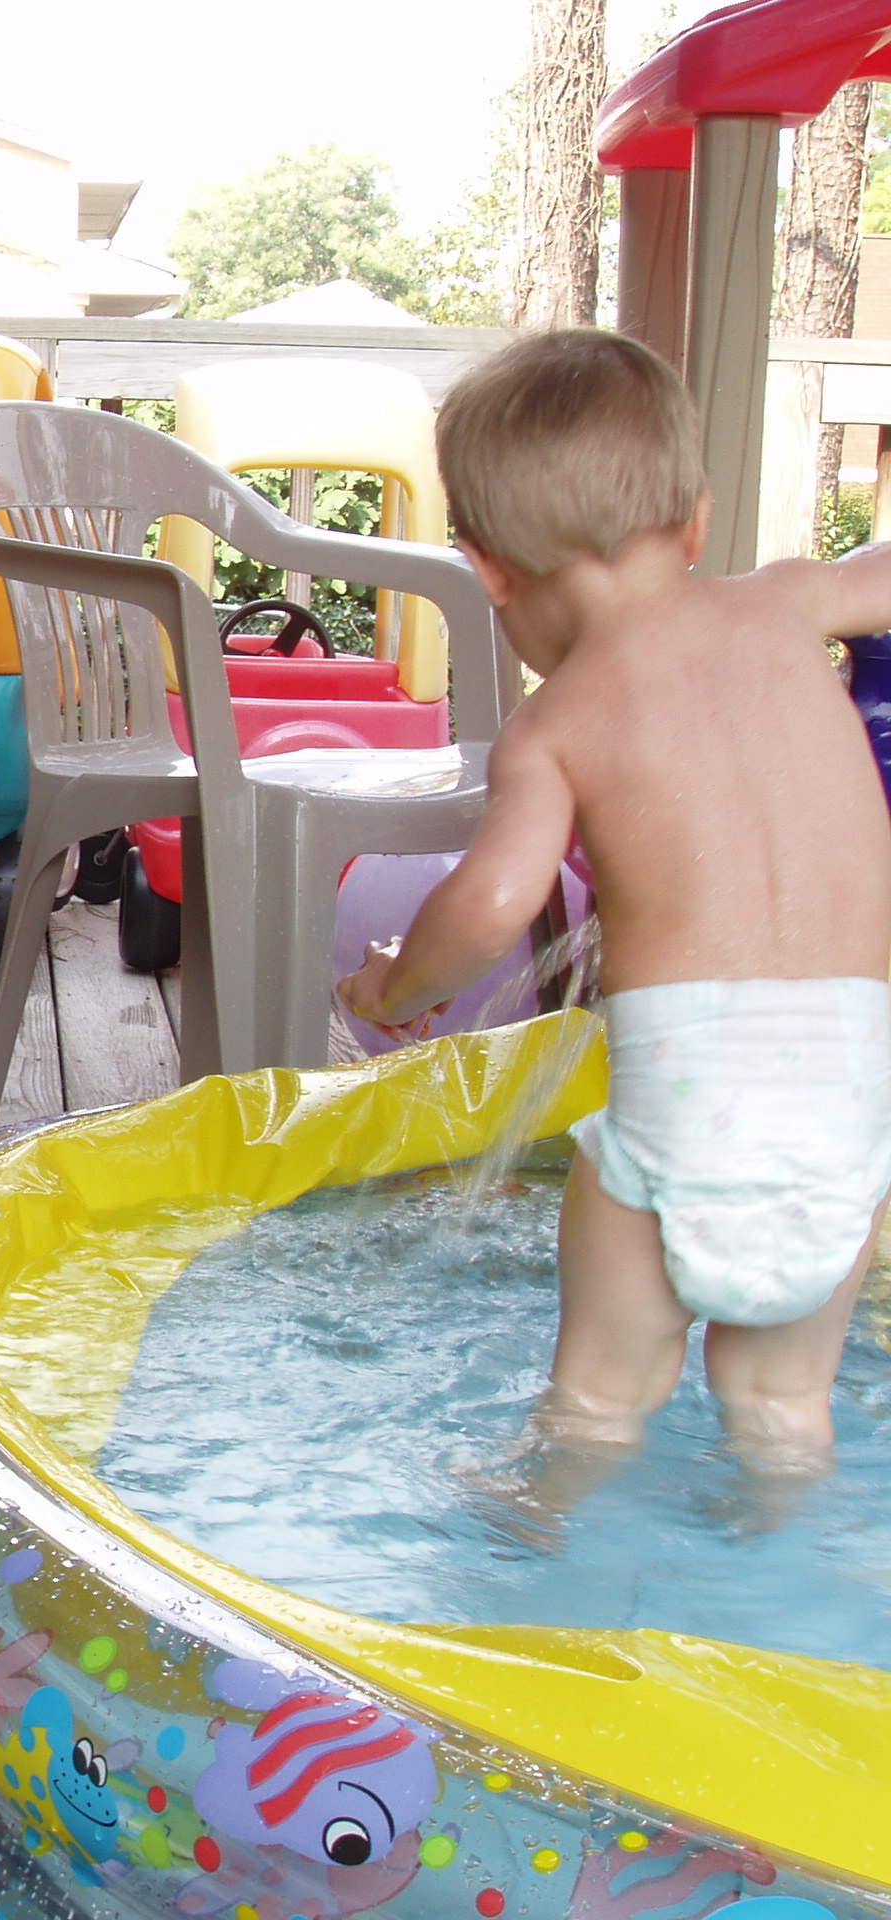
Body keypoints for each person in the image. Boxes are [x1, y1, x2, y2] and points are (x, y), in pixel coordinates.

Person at [339, 329, 891, 1484]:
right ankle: (772, 1570)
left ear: (488, 571)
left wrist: (393, 986)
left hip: (680, 1113)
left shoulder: (559, 720)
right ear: (694, 521)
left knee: (598, 1400)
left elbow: (492, 903)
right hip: (849, 1117)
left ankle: (530, 1546)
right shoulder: (790, 604)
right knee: (784, 1407)